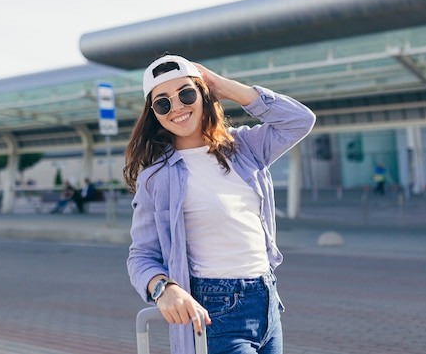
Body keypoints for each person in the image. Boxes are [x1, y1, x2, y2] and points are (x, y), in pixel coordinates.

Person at [125, 55, 316, 354]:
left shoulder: (243, 148)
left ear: (203, 94)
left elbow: (299, 121)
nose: (176, 107)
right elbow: (141, 256)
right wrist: (163, 289)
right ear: (154, 114)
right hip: (214, 311)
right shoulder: (157, 178)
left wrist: (226, 87)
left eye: (186, 93)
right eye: (163, 103)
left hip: (266, 300)